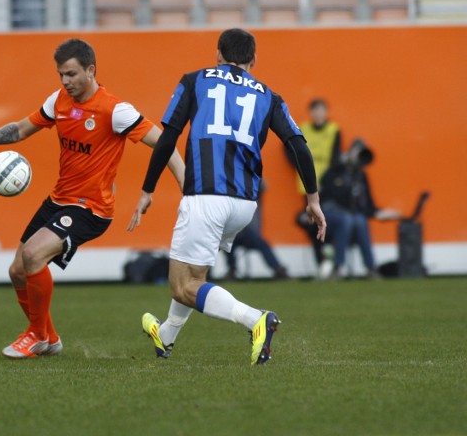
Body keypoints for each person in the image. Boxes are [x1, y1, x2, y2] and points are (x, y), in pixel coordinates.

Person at [0, 39, 185, 359]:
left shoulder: (115, 110)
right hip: (59, 199)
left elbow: (165, 144)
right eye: (60, 75)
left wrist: (185, 185)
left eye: (71, 74)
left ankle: (37, 336)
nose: (65, 82)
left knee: (34, 255)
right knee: (17, 271)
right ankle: (50, 339)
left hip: (91, 208)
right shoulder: (59, 101)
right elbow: (22, 129)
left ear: (90, 70)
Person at [128, 28, 326, 365]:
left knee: (183, 285)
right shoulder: (269, 96)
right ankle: (167, 335)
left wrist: (148, 189)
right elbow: (299, 146)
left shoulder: (195, 80)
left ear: (218, 54)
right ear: (253, 60)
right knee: (195, 275)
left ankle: (255, 320)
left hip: (206, 195)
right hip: (245, 204)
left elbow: (167, 139)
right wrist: (313, 200)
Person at [319, 138, 400, 279]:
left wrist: (378, 213)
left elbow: (366, 203)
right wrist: (346, 168)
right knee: (348, 220)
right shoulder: (336, 169)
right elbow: (329, 193)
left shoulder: (361, 175)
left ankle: (370, 268)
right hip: (329, 215)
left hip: (350, 216)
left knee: (361, 221)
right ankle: (338, 267)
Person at [294, 98, 342, 265]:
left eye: (322, 110)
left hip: (326, 188)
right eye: (316, 110)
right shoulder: (303, 129)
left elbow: (335, 159)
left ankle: (329, 258)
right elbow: (290, 149)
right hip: (306, 186)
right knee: (311, 224)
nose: (319, 114)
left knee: (327, 222)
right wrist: (299, 167)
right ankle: (321, 261)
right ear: (311, 113)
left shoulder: (333, 130)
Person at [221, 182, 289, 280]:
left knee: (261, 244)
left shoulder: (253, 195)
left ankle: (278, 269)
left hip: (248, 233)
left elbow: (263, 186)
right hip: (235, 231)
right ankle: (232, 270)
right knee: (226, 242)